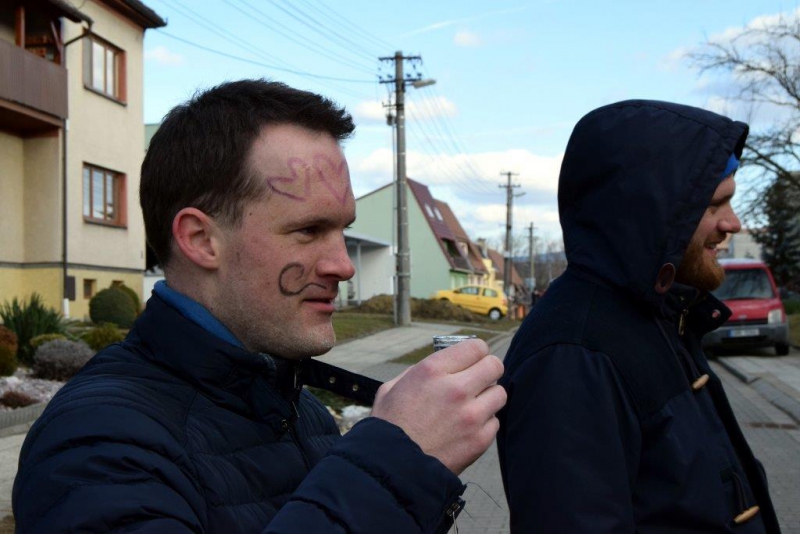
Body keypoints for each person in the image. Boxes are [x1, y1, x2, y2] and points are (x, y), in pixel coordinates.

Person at [13, 79, 506, 533]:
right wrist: (394, 464)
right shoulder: (96, 444)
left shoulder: (300, 411)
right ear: (201, 239)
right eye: (308, 230)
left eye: (342, 230)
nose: (343, 265)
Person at [498, 100, 781, 532]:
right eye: (714, 205)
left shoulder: (656, 315)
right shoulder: (572, 357)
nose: (734, 223)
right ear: (653, 214)